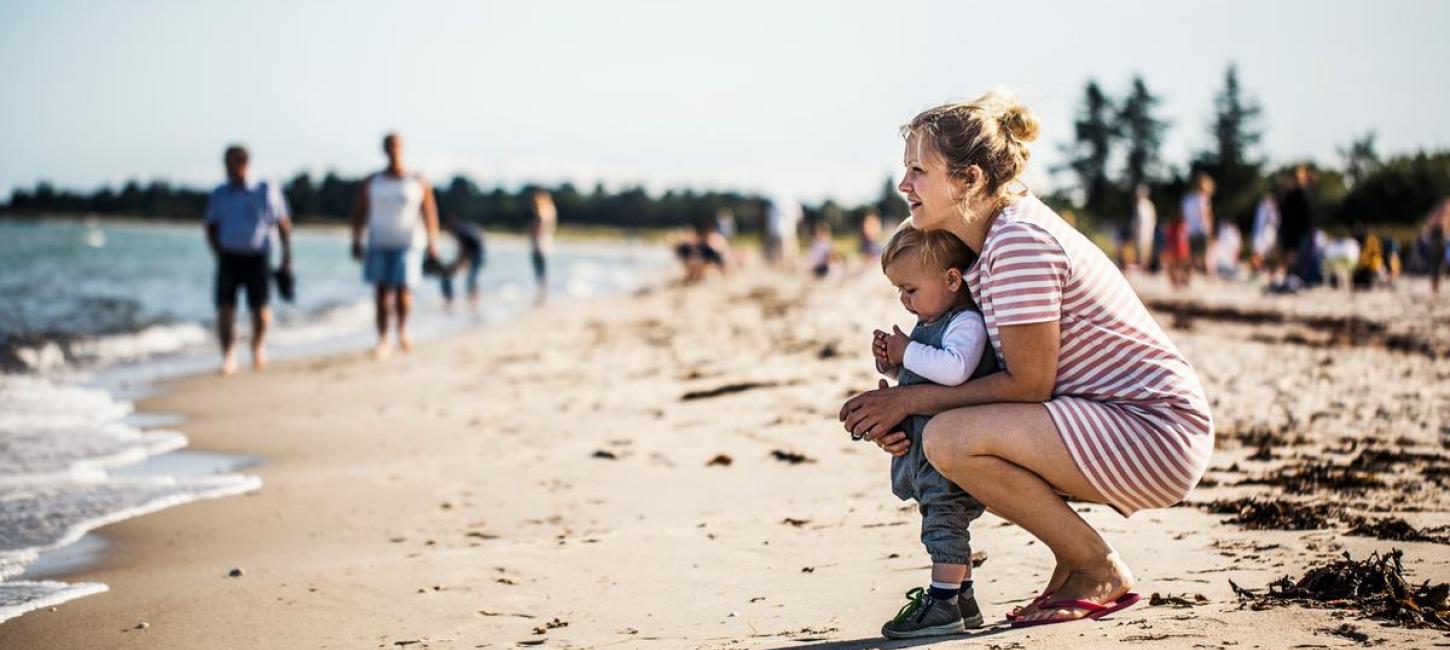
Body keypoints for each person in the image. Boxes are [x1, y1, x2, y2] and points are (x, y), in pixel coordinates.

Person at [841, 89, 1213, 628]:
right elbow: (978, 370)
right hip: (1106, 419)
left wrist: (913, 401)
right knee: (942, 432)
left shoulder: (1018, 241)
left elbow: (1030, 383)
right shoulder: (987, 243)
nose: (904, 185)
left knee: (952, 439)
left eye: (919, 170)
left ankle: (1095, 566)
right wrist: (906, 408)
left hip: (1154, 429)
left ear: (968, 179)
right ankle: (1074, 563)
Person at [869, 223, 997, 638]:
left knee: (944, 520)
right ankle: (963, 598)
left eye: (911, 290)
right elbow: (920, 371)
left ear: (951, 279)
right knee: (938, 515)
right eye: (899, 293)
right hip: (924, 452)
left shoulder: (966, 324)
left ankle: (942, 603)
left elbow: (954, 370)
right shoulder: (929, 321)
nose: (905, 301)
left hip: (949, 450)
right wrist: (891, 363)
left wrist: (908, 350)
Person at [203, 144, 293, 376]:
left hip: (258, 257)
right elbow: (211, 227)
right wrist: (217, 252)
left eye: (235, 162)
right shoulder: (219, 193)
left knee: (261, 310)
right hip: (229, 257)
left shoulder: (264, 189)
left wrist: (286, 258)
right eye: (228, 163)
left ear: (245, 163)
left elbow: (282, 223)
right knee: (225, 308)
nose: (231, 168)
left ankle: (257, 347)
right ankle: (228, 356)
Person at [350, 133, 440, 359]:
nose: (393, 149)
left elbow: (429, 212)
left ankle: (402, 329)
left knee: (403, 290)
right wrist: (356, 239)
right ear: (384, 150)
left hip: (408, 242)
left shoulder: (417, 180)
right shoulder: (373, 181)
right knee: (380, 292)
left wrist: (432, 241)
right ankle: (383, 338)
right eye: (389, 146)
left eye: (397, 145)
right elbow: (360, 211)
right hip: (379, 241)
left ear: (403, 148)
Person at [1278, 164, 1318, 284]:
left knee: (1297, 260)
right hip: (1291, 233)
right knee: (1291, 259)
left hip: (1299, 234)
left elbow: (1307, 217)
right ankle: (1291, 279)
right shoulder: (1290, 196)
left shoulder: (1303, 195)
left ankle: (1296, 280)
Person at [440, 214, 485, 310]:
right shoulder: (462, 227)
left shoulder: (458, 230)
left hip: (476, 253)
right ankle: (472, 299)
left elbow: (463, 247)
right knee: (472, 277)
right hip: (477, 252)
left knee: (471, 277)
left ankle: (469, 300)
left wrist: (461, 261)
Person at [1180, 173, 1214, 277]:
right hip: (1202, 230)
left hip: (1190, 231)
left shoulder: (1186, 199)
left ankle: (1187, 279)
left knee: (1191, 257)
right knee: (1206, 257)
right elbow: (1205, 216)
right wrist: (1210, 230)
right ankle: (1209, 281)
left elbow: (1184, 216)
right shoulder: (1203, 198)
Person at [529, 189, 557, 304]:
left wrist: (532, 231)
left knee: (540, 272)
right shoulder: (551, 211)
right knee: (543, 271)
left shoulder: (541, 214)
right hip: (547, 244)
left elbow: (536, 230)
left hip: (539, 245)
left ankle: (542, 296)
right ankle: (543, 295)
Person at [1249, 188, 1280, 276]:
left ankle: (1263, 270)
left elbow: (1274, 222)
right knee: (1260, 253)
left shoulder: (1268, 207)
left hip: (1266, 235)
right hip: (1263, 235)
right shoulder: (1263, 206)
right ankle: (1258, 270)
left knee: (1263, 254)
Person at [1128, 184, 1156, 272]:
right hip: (1140, 232)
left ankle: (1144, 267)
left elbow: (1152, 219)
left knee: (1145, 251)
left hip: (1146, 232)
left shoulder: (1147, 205)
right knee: (1139, 250)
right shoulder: (1138, 205)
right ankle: (1141, 267)